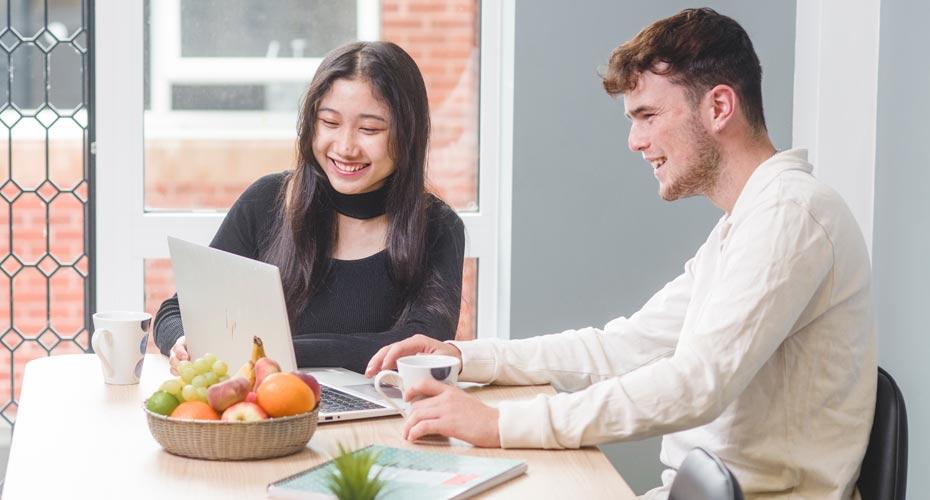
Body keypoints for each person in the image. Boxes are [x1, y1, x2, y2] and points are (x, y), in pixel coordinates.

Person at [365, 9, 875, 500]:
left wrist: (501, 423)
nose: (635, 141)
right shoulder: (746, 224)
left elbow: (695, 384)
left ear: (719, 107)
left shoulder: (792, 214)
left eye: (648, 115)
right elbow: (623, 348)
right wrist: (467, 356)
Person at [154, 41, 466, 375]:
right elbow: (175, 311)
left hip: (382, 419)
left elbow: (421, 344)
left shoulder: (437, 226)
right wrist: (184, 340)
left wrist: (268, 351)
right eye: (329, 123)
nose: (345, 147)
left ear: (409, 133)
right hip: (268, 414)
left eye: (369, 129)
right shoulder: (266, 202)